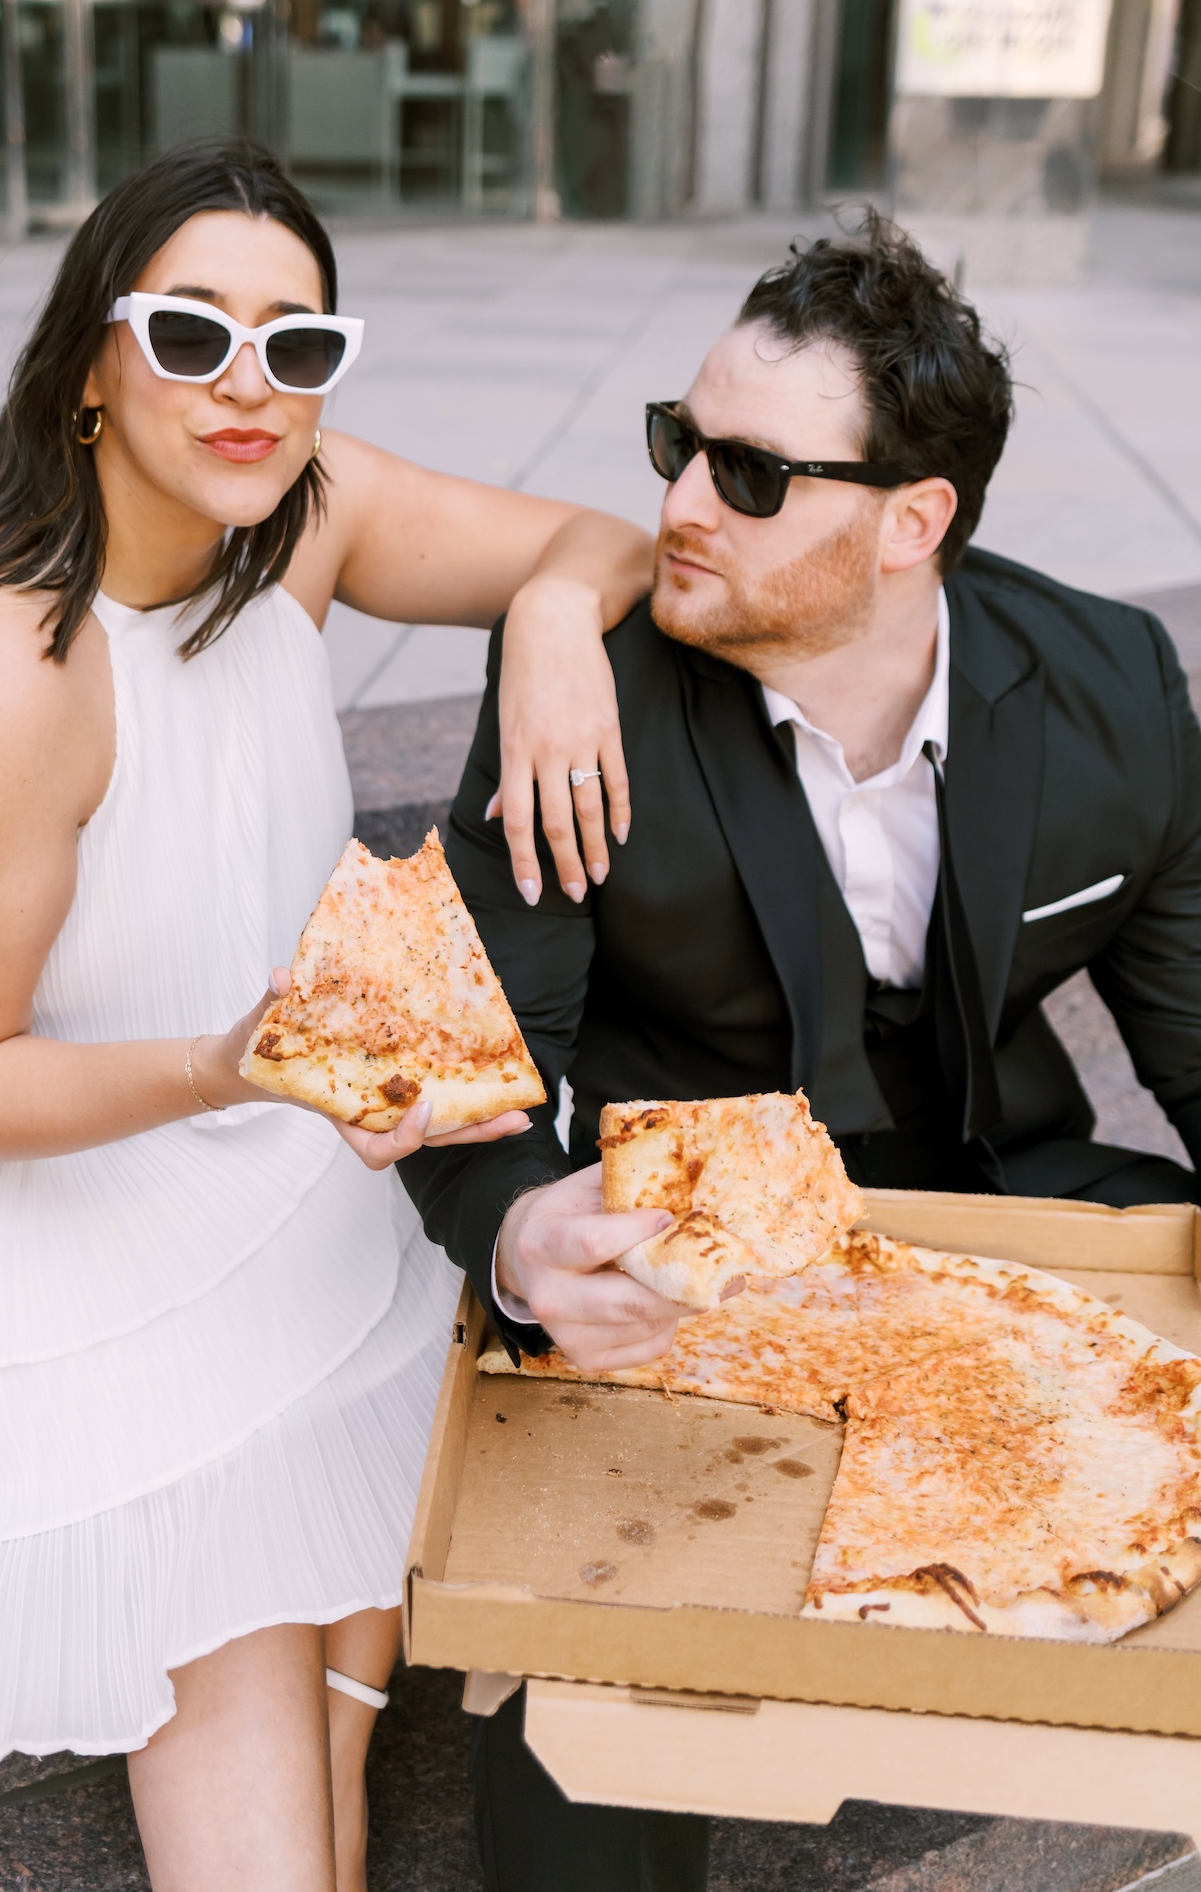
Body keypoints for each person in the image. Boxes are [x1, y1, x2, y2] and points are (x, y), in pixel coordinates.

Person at [0, 137, 655, 1889]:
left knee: (318, 1481)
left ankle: (346, 1728)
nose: (250, 387)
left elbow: (608, 539)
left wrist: (551, 619)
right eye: (192, 333)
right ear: (88, 355)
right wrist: (240, 1068)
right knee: (236, 1574)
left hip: (235, 1093)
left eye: (298, 345)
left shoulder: (298, 504)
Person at [399, 211, 1201, 1892]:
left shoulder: (1112, 689)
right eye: (679, 445)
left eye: (753, 477)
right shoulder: (581, 687)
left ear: (916, 521)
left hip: (1011, 1200)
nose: (683, 504)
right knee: (584, 1726)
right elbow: (475, 1072)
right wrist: (523, 1235)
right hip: (685, 1259)